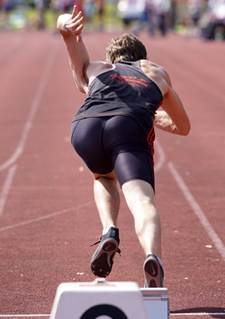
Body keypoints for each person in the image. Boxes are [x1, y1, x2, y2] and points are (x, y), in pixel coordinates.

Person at [57, 6, 190, 287]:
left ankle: (109, 231)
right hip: (127, 128)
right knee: (142, 201)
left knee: (103, 175)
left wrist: (64, 28)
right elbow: (183, 125)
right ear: (142, 56)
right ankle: (152, 257)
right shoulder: (155, 71)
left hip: (85, 126)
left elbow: (74, 54)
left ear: (111, 59)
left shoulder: (98, 67)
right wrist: (149, 111)